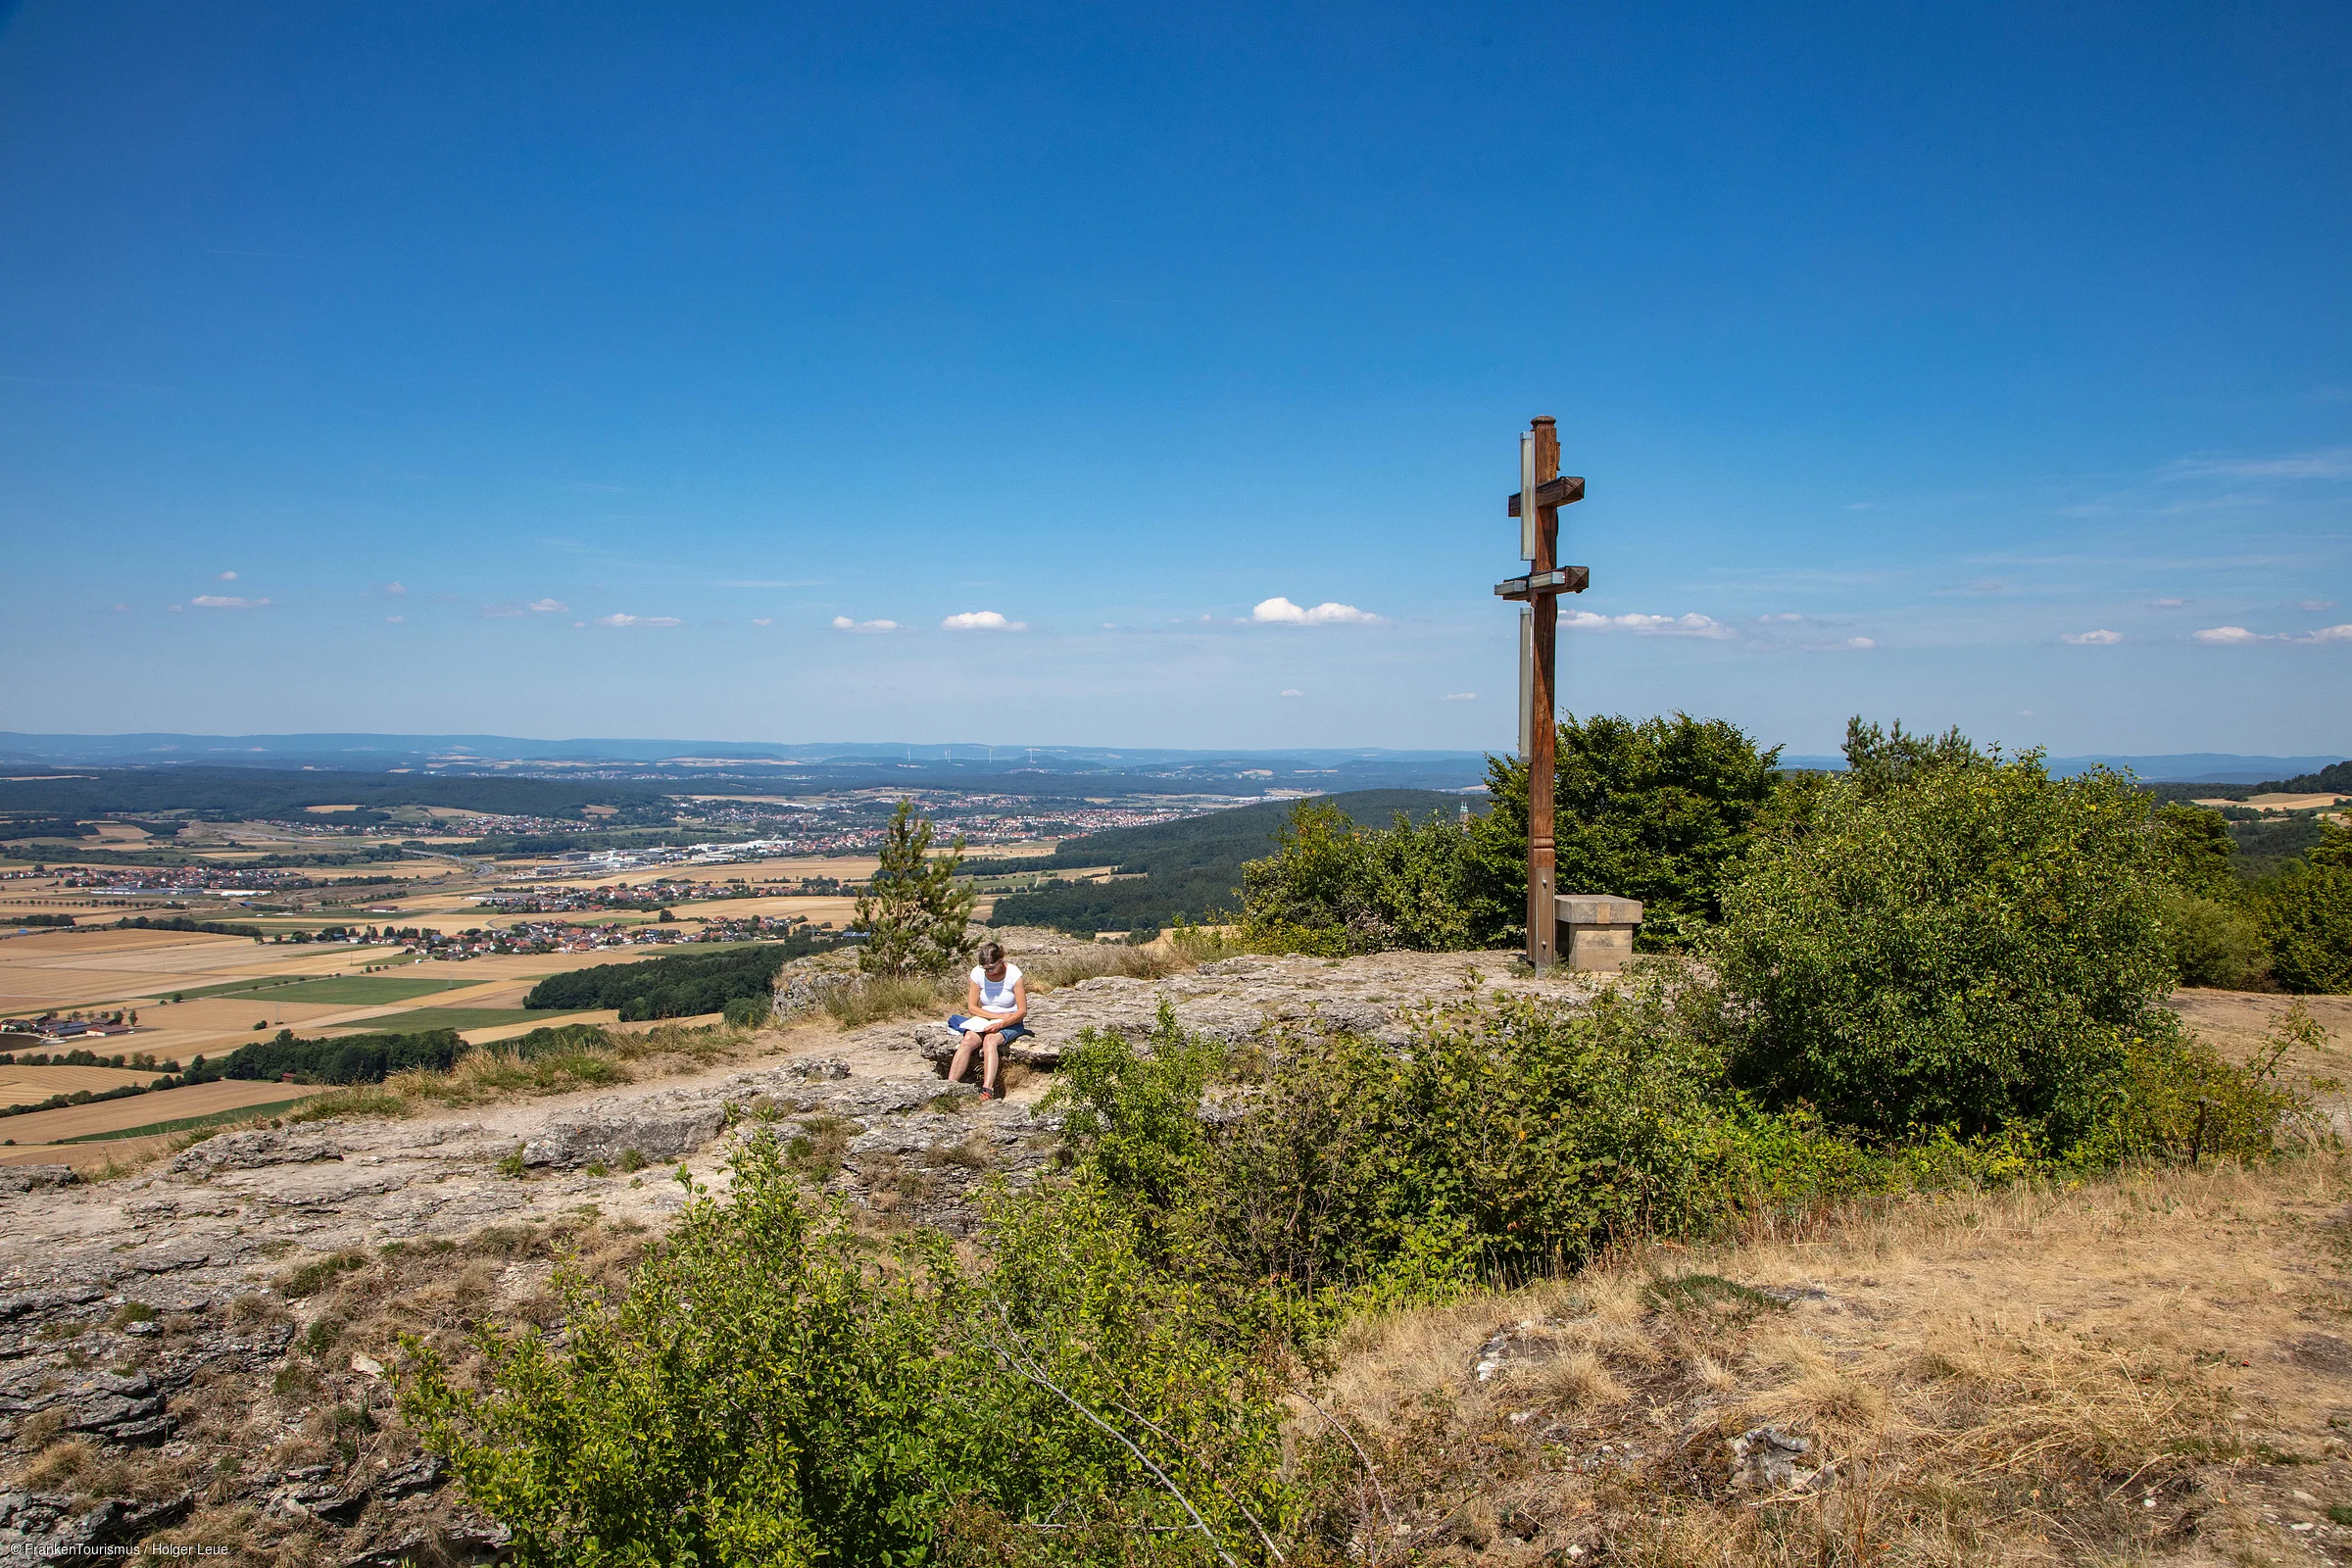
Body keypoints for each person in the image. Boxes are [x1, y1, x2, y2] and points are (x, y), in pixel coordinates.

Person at [946, 941, 1028, 1101]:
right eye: (985, 969)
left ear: (1001, 960)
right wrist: (992, 1017)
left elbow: (1022, 1011)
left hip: (1010, 1021)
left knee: (990, 1040)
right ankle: (950, 1085)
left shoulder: (1014, 974)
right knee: (968, 1039)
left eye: (991, 968)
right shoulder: (977, 974)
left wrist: (1002, 1023)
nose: (988, 972)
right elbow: (972, 1007)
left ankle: (987, 1089)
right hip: (984, 1019)